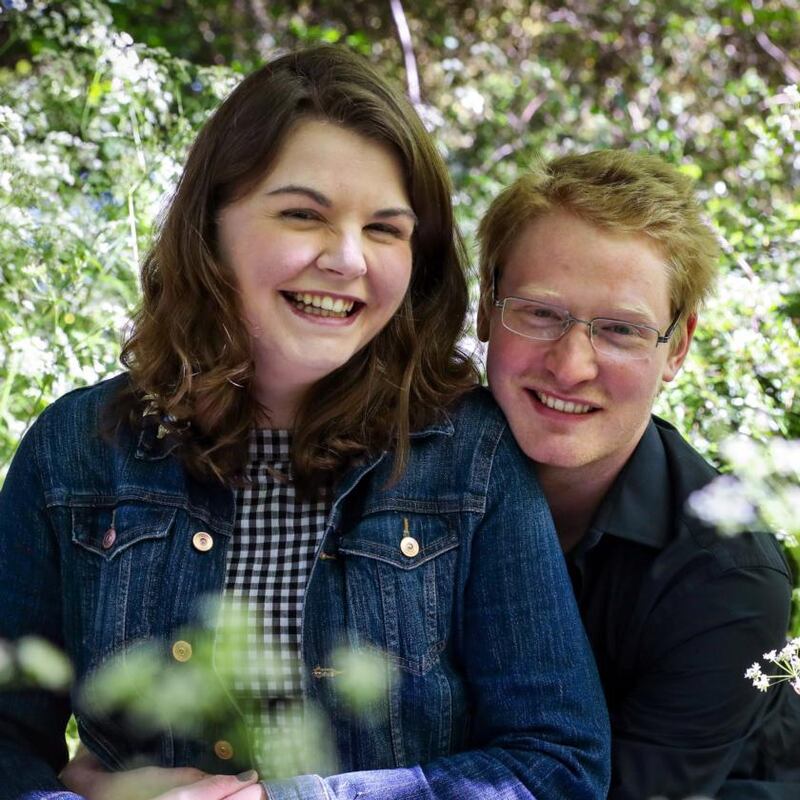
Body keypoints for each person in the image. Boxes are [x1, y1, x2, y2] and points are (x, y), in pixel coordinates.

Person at [0, 47, 610, 800]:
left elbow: (559, 762)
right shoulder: (76, 449)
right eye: (302, 214)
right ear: (211, 225)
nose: (349, 260)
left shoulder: (471, 455)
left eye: (385, 229)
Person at [477, 149, 800, 800]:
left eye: (621, 330)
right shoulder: (408, 468)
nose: (570, 367)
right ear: (487, 309)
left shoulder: (728, 576)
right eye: (540, 312)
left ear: (677, 348)